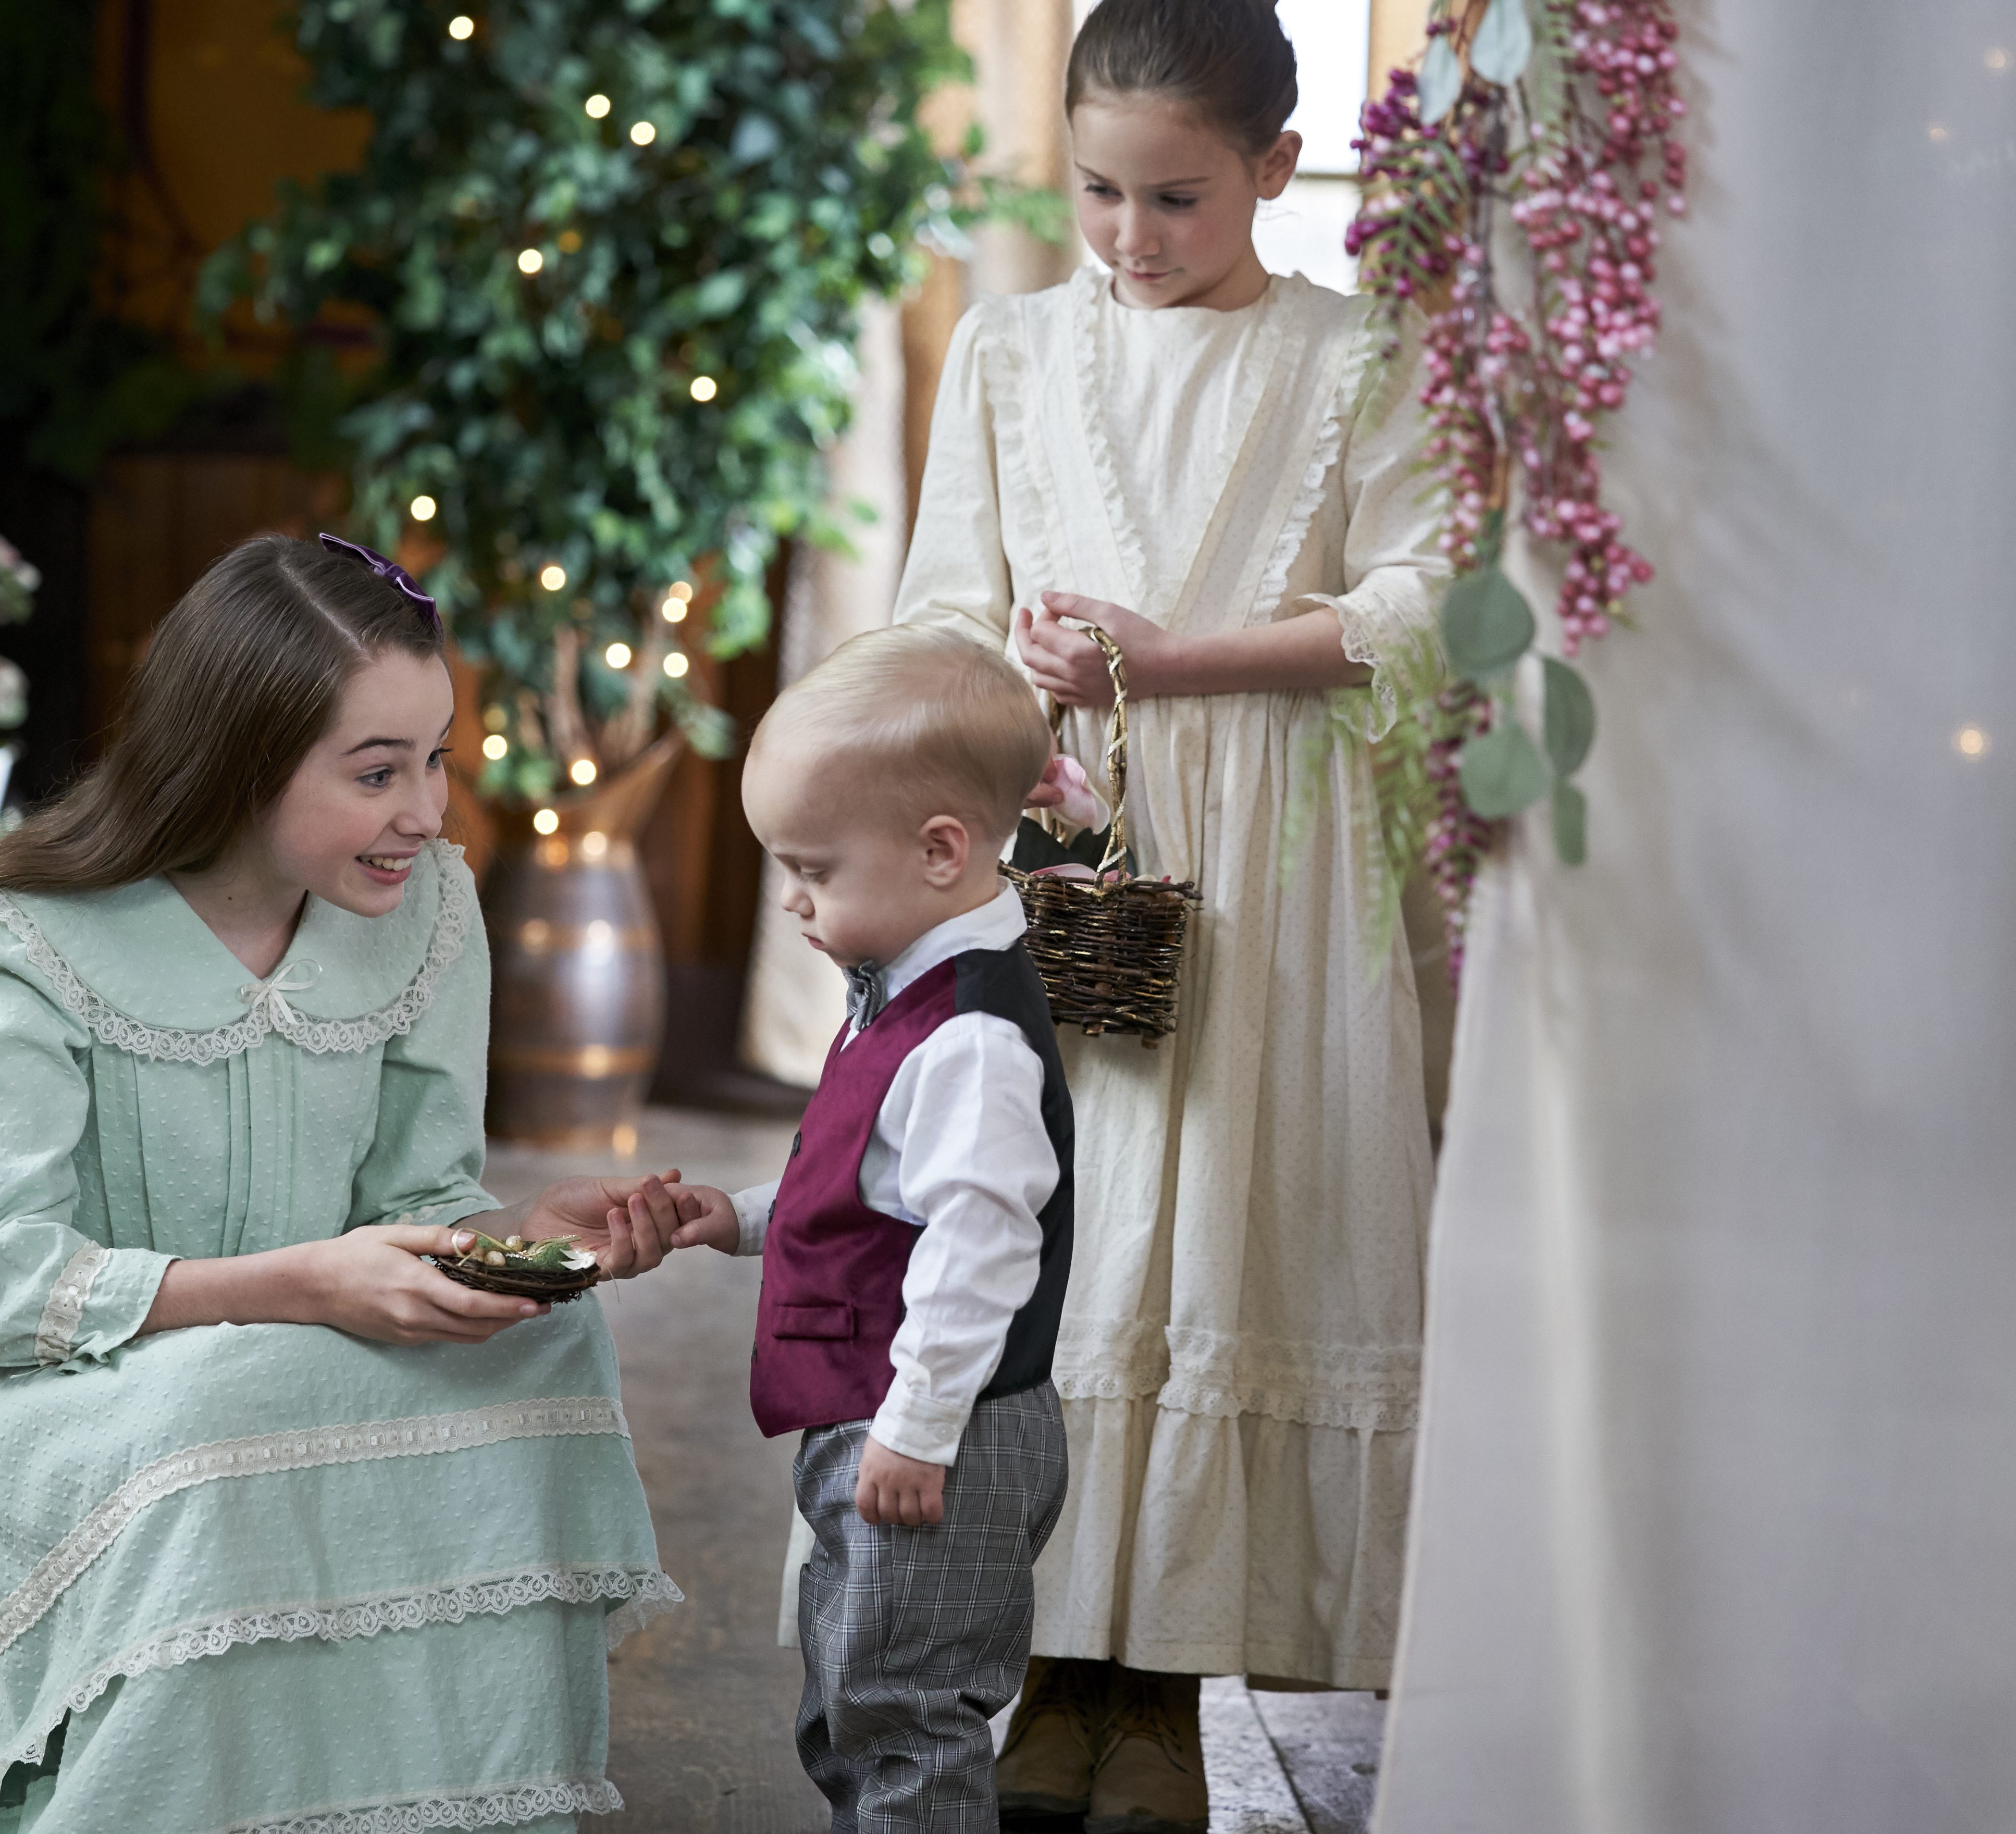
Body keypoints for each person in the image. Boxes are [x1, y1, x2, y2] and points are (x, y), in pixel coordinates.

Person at [0, 534, 692, 1834]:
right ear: (236, 754)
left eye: (436, 758)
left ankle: (414, 1794)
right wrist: (302, 1285)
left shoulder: (431, 908)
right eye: (378, 771)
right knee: (218, 1403)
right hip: (57, 1383)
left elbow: (418, 1200)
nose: (429, 812)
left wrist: (511, 1240)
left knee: (550, 1350)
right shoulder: (7, 946)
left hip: (291, 1340)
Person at [892, 1, 1453, 1827]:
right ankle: (1054, 1675)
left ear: (1281, 171)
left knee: (1226, 1242)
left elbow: (1428, 605)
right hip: (1076, 855)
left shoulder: (1365, 357)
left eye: (1180, 200)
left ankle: (1160, 1697)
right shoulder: (1006, 351)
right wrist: (1027, 679)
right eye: (1100, 194)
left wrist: (1179, 656)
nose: (1131, 238)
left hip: (1280, 870)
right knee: (1071, 1245)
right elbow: (937, 614)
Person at [663, 625, 1076, 1834]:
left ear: (941, 850)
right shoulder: (905, 988)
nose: (793, 899)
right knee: (853, 1698)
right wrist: (738, 1218)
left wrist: (919, 1424)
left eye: (813, 868)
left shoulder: (973, 1038)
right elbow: (876, 1185)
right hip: (885, 1416)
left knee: (906, 1714)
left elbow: (981, 1246)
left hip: (935, 1428)